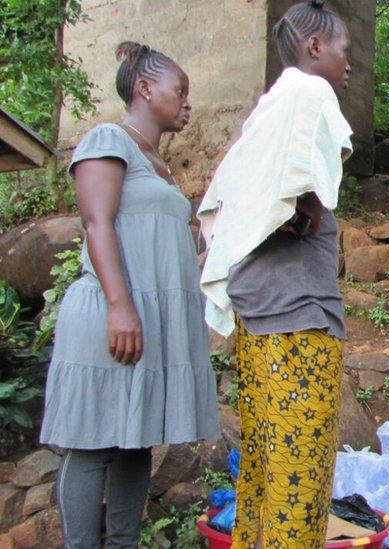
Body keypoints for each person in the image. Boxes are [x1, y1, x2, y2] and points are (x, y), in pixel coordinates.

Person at [39, 42, 219, 548]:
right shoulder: (108, 138)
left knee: (135, 440)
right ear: (144, 88)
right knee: (93, 444)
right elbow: (97, 224)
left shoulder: (157, 163)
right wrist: (121, 306)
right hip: (110, 313)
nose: (187, 103)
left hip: (146, 319)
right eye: (179, 91)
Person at [196, 1, 352, 546]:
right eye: (342, 50)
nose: (347, 63)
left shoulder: (265, 111)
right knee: (298, 487)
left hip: (261, 320)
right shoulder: (309, 94)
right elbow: (297, 180)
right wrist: (308, 216)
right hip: (297, 324)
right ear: (314, 49)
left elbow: (226, 201)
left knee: (266, 476)